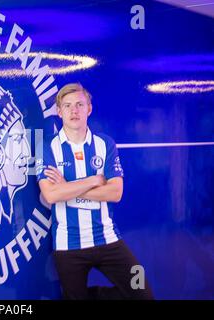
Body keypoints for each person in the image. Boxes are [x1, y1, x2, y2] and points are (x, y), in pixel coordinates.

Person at [35, 83, 153, 300]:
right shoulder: (47, 147)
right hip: (68, 247)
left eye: (80, 104)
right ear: (59, 112)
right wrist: (93, 180)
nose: (74, 110)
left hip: (108, 240)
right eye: (68, 106)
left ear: (89, 109)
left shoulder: (105, 144)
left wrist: (66, 187)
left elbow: (115, 193)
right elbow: (51, 195)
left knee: (142, 291)